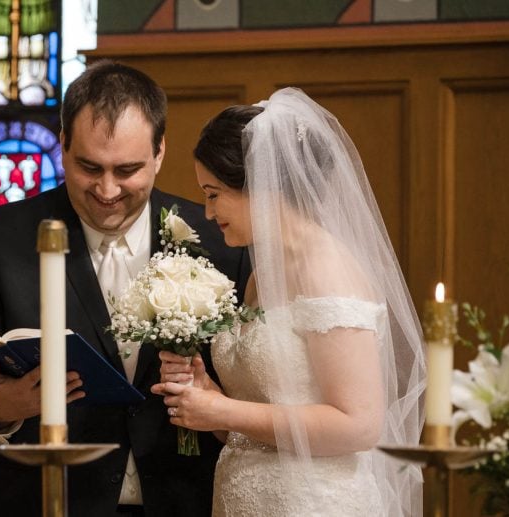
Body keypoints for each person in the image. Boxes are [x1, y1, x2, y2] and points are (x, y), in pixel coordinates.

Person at [0, 60, 251, 517]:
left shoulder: (221, 239)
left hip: (186, 502)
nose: (107, 189)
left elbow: (255, 393)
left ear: (159, 152)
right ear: (62, 145)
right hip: (41, 503)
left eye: (128, 169)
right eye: (89, 166)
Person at [153, 88, 426, 516]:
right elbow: (260, 418)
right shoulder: (263, 276)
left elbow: (359, 425)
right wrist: (209, 399)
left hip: (315, 503)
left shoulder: (327, 269)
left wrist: (225, 409)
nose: (207, 212)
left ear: (261, 186)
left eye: (213, 193)